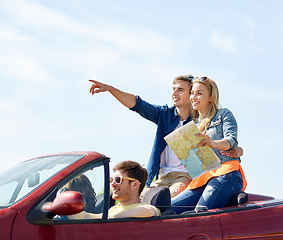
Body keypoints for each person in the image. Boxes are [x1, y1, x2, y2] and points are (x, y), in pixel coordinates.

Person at [89, 76, 194, 197]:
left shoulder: (200, 120)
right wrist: (110, 89)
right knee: (137, 201)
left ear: (191, 94)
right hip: (162, 178)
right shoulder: (164, 114)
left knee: (161, 200)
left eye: (180, 90)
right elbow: (137, 104)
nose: (174, 93)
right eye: (173, 89)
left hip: (184, 176)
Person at [171, 76, 247, 214]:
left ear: (211, 97)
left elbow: (231, 141)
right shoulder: (193, 125)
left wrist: (212, 143)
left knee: (199, 212)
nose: (194, 97)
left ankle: (232, 195)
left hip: (226, 174)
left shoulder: (223, 114)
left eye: (199, 93)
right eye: (192, 93)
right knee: (168, 209)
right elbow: (196, 165)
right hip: (202, 179)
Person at [68, 160, 159, 219]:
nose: (112, 184)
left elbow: (150, 210)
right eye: (111, 180)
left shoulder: (145, 209)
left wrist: (114, 217)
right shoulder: (114, 209)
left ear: (134, 184)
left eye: (117, 180)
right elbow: (93, 217)